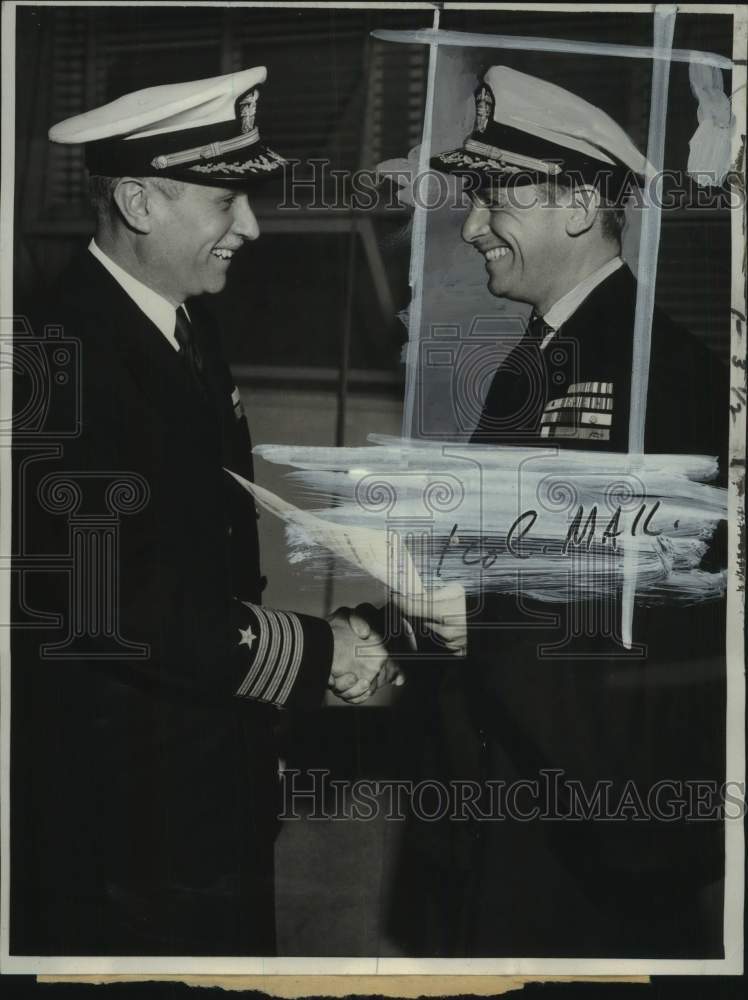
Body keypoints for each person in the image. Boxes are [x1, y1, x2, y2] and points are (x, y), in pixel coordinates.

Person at [10, 66, 403, 957]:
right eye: (228, 202)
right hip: (118, 821)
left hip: (203, 780)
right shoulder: (52, 355)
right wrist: (317, 651)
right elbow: (115, 604)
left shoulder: (181, 322)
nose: (252, 227)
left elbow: (208, 547)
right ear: (142, 203)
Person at [391, 65, 729, 958]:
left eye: (496, 199)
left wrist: (450, 611)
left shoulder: (662, 377)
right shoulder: (538, 358)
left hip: (595, 826)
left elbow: (632, 630)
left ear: (580, 204)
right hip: (513, 794)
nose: (470, 227)